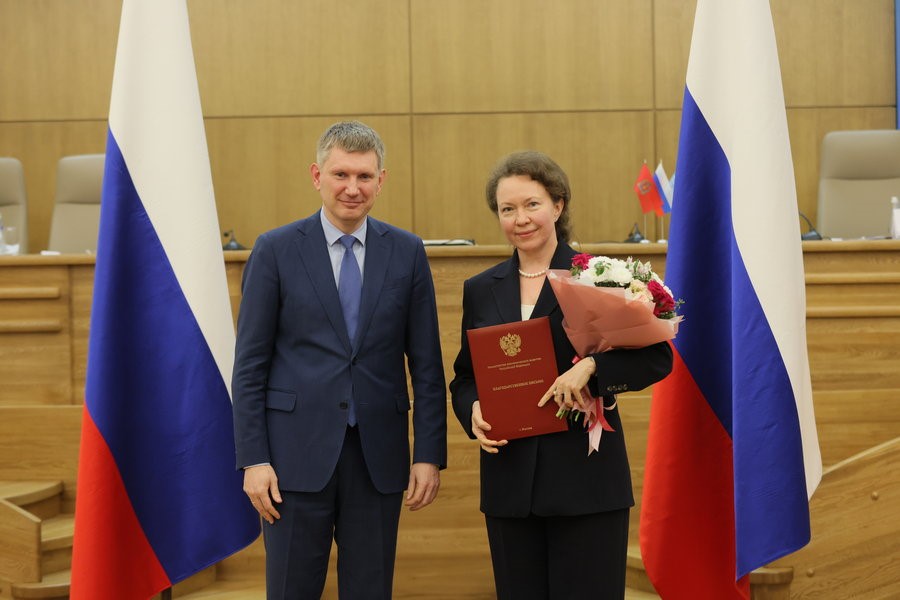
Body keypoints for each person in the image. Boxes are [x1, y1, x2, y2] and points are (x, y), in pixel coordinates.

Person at [232, 121, 447, 599]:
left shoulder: (407, 252)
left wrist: (429, 454)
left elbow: (427, 367)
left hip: (378, 459)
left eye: (365, 176)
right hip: (291, 460)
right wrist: (254, 459)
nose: (353, 188)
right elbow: (249, 366)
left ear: (380, 180)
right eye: (341, 174)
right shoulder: (275, 250)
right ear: (317, 176)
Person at [450, 151, 673, 599]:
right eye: (507, 209)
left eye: (531, 204)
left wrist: (593, 368)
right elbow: (464, 377)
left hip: (586, 483)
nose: (520, 219)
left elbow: (657, 358)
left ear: (558, 204)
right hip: (511, 487)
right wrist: (471, 409)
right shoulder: (480, 289)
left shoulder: (598, 275)